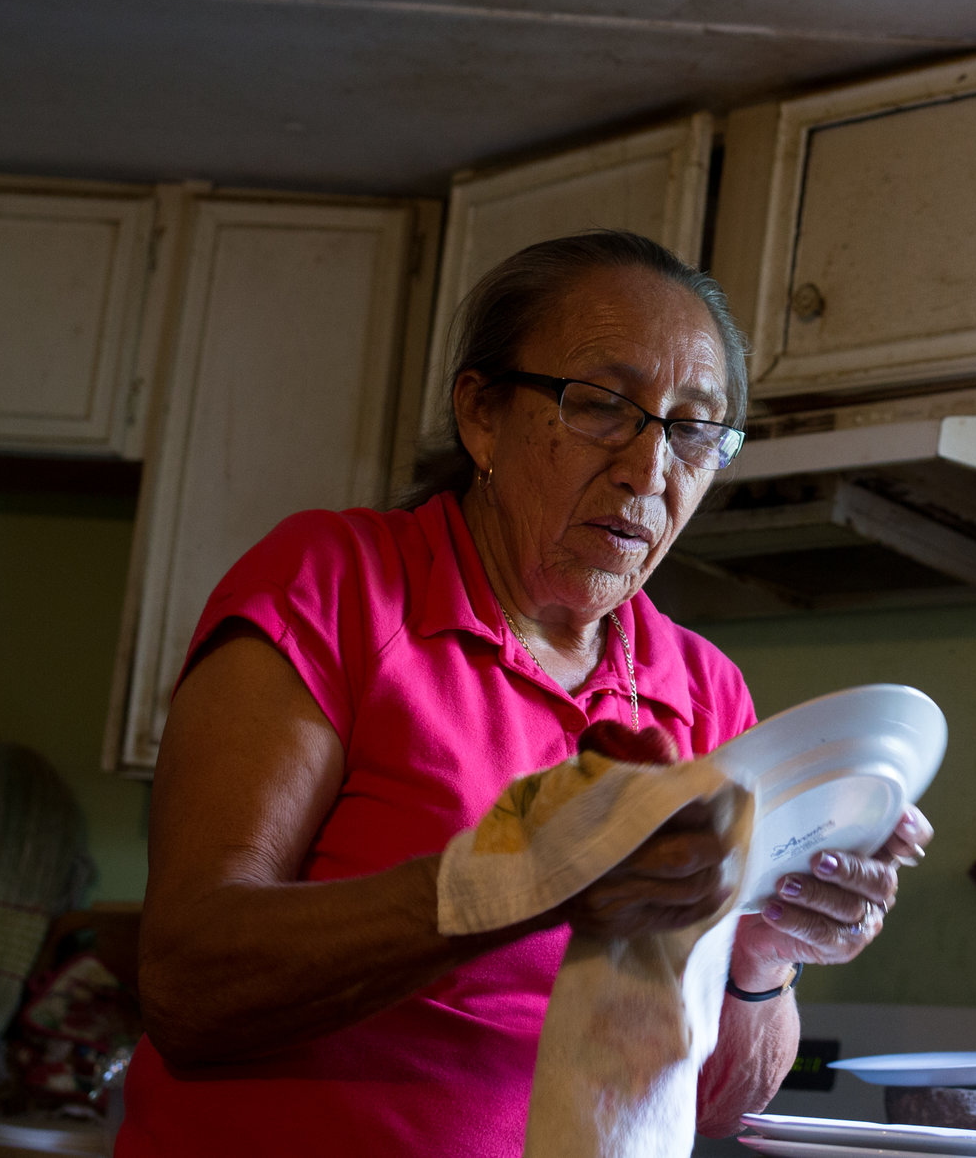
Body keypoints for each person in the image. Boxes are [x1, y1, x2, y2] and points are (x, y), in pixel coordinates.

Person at [120, 230, 934, 1155]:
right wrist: (509, 875)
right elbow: (188, 984)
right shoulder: (339, 584)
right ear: (482, 415)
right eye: (599, 405)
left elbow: (701, 1104)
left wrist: (769, 948)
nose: (648, 467)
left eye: (694, 429)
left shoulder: (705, 694)